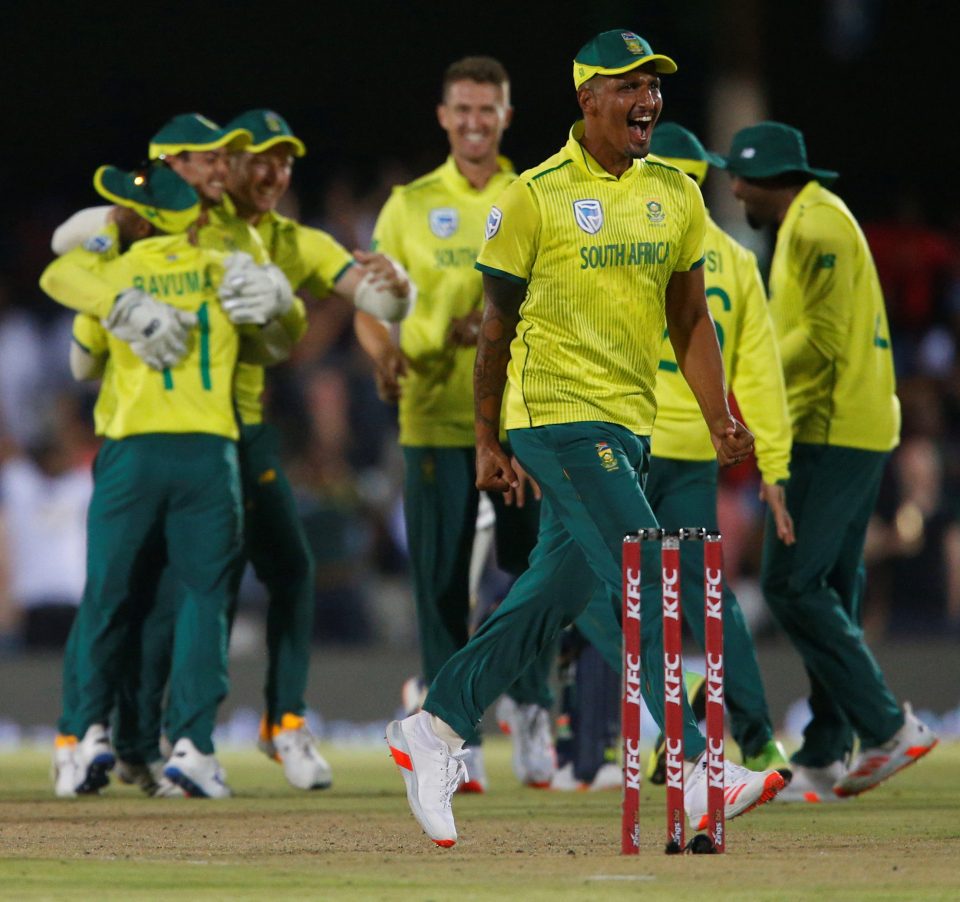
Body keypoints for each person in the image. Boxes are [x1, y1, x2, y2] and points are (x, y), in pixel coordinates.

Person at [386, 30, 785, 847]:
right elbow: (495, 326)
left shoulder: (675, 191)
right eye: (628, 86)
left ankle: (433, 727)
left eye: (654, 86)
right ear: (587, 99)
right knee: (644, 570)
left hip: (628, 422)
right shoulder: (533, 196)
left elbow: (688, 316)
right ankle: (704, 767)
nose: (648, 100)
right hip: (554, 416)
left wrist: (717, 413)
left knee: (550, 596)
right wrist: (487, 437)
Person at [551, 122, 797, 791]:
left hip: (623, 443)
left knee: (603, 591)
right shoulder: (738, 263)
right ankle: (756, 741)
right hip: (690, 451)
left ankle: (672, 717)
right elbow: (762, 378)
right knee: (706, 600)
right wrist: (772, 464)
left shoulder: (623, 241)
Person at [42, 164, 285, 798]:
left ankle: (81, 736)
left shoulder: (115, 272)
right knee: (206, 601)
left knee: (107, 597)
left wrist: (117, 306)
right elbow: (275, 345)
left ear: (144, 218)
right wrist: (278, 296)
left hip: (132, 452)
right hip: (209, 455)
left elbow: (74, 330)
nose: (114, 215)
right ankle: (194, 748)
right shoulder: (221, 269)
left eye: (123, 208)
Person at [721, 121, 938, 801]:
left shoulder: (814, 229)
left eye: (740, 178)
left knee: (791, 584)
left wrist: (745, 378)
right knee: (831, 590)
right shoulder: (813, 222)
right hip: (847, 424)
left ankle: (886, 726)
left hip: (834, 429)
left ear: (769, 179)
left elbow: (817, 338)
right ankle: (823, 750)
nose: (732, 189)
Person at [354, 58, 554, 791]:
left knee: (532, 573)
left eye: (487, 109)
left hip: (519, 421)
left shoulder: (532, 194)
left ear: (507, 115)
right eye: (462, 109)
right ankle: (452, 735)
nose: (474, 121)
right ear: (443, 116)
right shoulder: (407, 205)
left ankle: (534, 707)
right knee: (439, 585)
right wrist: (384, 358)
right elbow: (370, 310)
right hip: (433, 420)